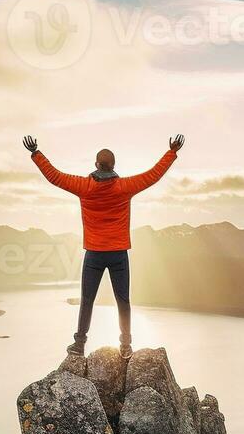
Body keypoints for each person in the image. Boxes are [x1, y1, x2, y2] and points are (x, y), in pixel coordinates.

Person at [24, 134, 184, 359]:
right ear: (114, 166)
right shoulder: (125, 187)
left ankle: (79, 344)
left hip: (94, 254)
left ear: (96, 165)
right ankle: (126, 345)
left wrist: (36, 153)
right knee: (123, 300)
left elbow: (55, 177)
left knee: (87, 300)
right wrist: (172, 152)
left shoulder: (84, 187)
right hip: (118, 254)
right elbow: (153, 175)